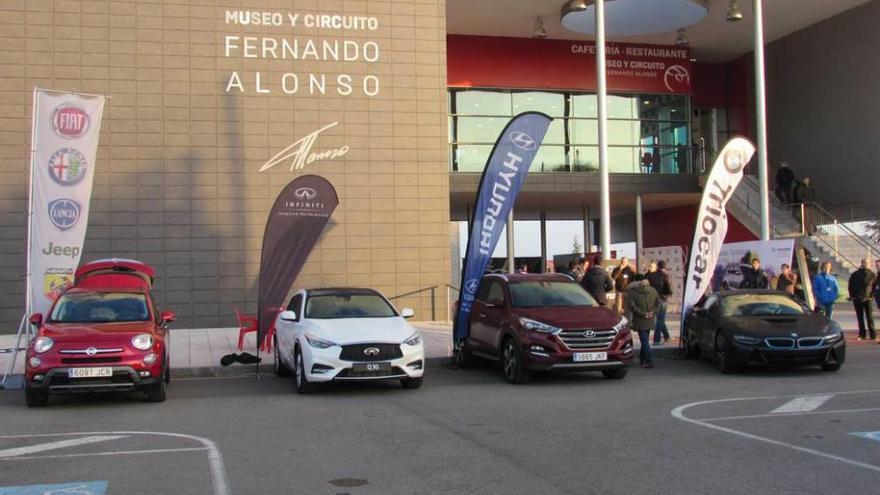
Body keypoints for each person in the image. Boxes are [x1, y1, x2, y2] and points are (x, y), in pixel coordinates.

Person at [626, 273, 660, 368]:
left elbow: (632, 306)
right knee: (644, 341)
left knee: (644, 341)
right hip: (649, 319)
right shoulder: (653, 291)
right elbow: (658, 304)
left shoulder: (633, 292)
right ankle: (642, 359)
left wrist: (643, 314)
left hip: (639, 320)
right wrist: (652, 313)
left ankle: (649, 361)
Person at [848, 258, 877, 341]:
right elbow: (850, 286)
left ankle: (873, 335)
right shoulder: (855, 274)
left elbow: (874, 287)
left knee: (869, 317)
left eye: (867, 263)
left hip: (867, 299)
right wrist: (852, 296)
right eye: (864, 262)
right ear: (861, 263)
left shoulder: (872, 274)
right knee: (860, 317)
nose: (865, 264)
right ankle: (862, 334)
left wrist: (871, 296)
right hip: (857, 299)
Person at [646, 261, 673, 344]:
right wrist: (669, 294)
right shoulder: (665, 276)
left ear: (657, 267)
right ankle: (656, 340)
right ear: (664, 267)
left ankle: (666, 336)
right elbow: (669, 289)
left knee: (660, 319)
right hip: (662, 300)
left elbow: (646, 282)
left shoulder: (651, 275)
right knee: (660, 320)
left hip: (653, 299)